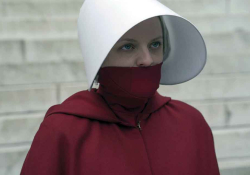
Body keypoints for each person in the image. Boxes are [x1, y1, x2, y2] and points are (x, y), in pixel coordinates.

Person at [20, 0, 220, 174]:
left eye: (155, 45)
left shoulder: (190, 123)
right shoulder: (62, 132)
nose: (147, 60)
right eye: (128, 46)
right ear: (99, 56)